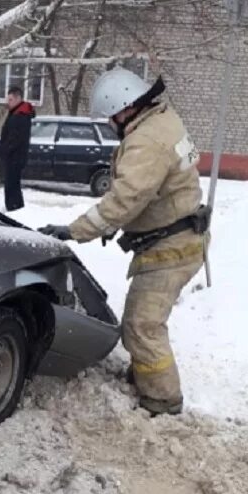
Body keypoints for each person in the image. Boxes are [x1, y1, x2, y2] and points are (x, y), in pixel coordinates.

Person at [38, 68, 208, 416]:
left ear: (126, 107)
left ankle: (162, 400)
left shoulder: (146, 141)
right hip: (180, 236)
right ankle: (145, 374)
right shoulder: (165, 120)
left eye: (111, 116)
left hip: (172, 246)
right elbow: (169, 177)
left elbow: (124, 199)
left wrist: (76, 230)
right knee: (142, 321)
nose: (111, 123)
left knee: (143, 325)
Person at [0, 86, 34, 211]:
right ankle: (16, 210)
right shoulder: (17, 113)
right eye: (8, 99)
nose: (7, 102)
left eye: (10, 99)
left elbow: (13, 141)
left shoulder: (20, 116)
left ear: (18, 98)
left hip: (15, 157)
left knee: (11, 187)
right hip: (13, 156)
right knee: (12, 186)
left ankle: (14, 211)